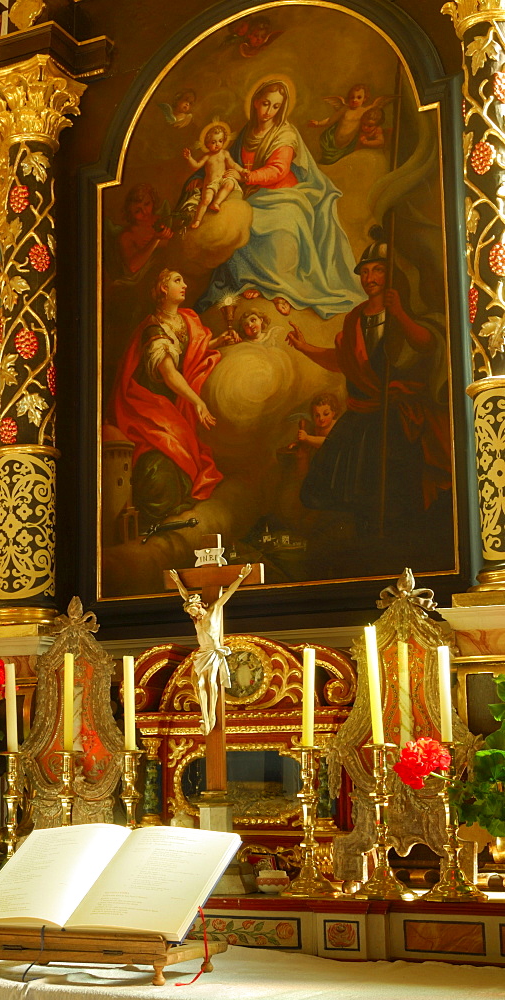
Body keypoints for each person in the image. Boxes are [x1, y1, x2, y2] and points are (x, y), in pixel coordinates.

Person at [285, 227, 451, 531]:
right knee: (347, 490)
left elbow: (428, 345)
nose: (369, 278)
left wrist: (399, 312)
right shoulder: (354, 319)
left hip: (396, 420)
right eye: (365, 272)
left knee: (398, 493)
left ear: (391, 275)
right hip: (363, 417)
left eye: (378, 271)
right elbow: (345, 362)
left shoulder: (406, 311)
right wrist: (303, 346)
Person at [195, 79, 363, 319]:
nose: (268, 111)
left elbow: (278, 170)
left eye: (275, 107)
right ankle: (253, 281)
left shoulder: (285, 133)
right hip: (252, 194)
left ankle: (284, 289)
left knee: (284, 222)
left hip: (285, 194)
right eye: (265, 104)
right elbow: (220, 160)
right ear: (255, 102)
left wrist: (246, 175)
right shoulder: (246, 132)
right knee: (236, 225)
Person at [111, 269, 234, 525]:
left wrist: (219, 341)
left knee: (182, 456)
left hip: (172, 404)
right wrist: (198, 402)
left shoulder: (186, 319)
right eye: (178, 280)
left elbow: (189, 353)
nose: (185, 284)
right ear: (163, 288)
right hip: (147, 405)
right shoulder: (153, 329)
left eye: (184, 279)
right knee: (166, 460)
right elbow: (169, 374)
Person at [169, 564, 252, 734]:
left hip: (213, 653)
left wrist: (241, 577)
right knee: (200, 684)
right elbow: (185, 596)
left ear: (201, 605)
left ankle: (212, 716)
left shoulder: (213, 611)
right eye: (191, 613)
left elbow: (228, 593)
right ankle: (205, 717)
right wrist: (178, 581)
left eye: (195, 610)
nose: (195, 615)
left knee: (211, 682)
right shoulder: (196, 620)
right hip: (203, 653)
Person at [182, 123, 242, 228]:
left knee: (229, 184)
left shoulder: (225, 153)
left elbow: (232, 164)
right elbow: (196, 166)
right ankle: (197, 220)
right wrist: (189, 159)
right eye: (213, 142)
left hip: (223, 179)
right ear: (207, 144)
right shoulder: (207, 157)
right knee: (205, 200)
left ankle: (216, 203)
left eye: (220, 141)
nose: (217, 144)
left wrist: (241, 170)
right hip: (211, 184)